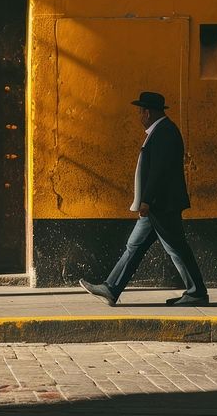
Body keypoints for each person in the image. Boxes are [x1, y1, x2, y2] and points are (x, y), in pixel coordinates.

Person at [79, 91, 209, 306]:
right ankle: (111, 288)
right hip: (158, 204)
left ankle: (197, 292)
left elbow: (159, 171)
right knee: (135, 245)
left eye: (140, 112)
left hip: (162, 204)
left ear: (147, 112)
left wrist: (146, 200)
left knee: (175, 248)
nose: (139, 116)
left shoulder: (164, 132)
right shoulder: (161, 131)